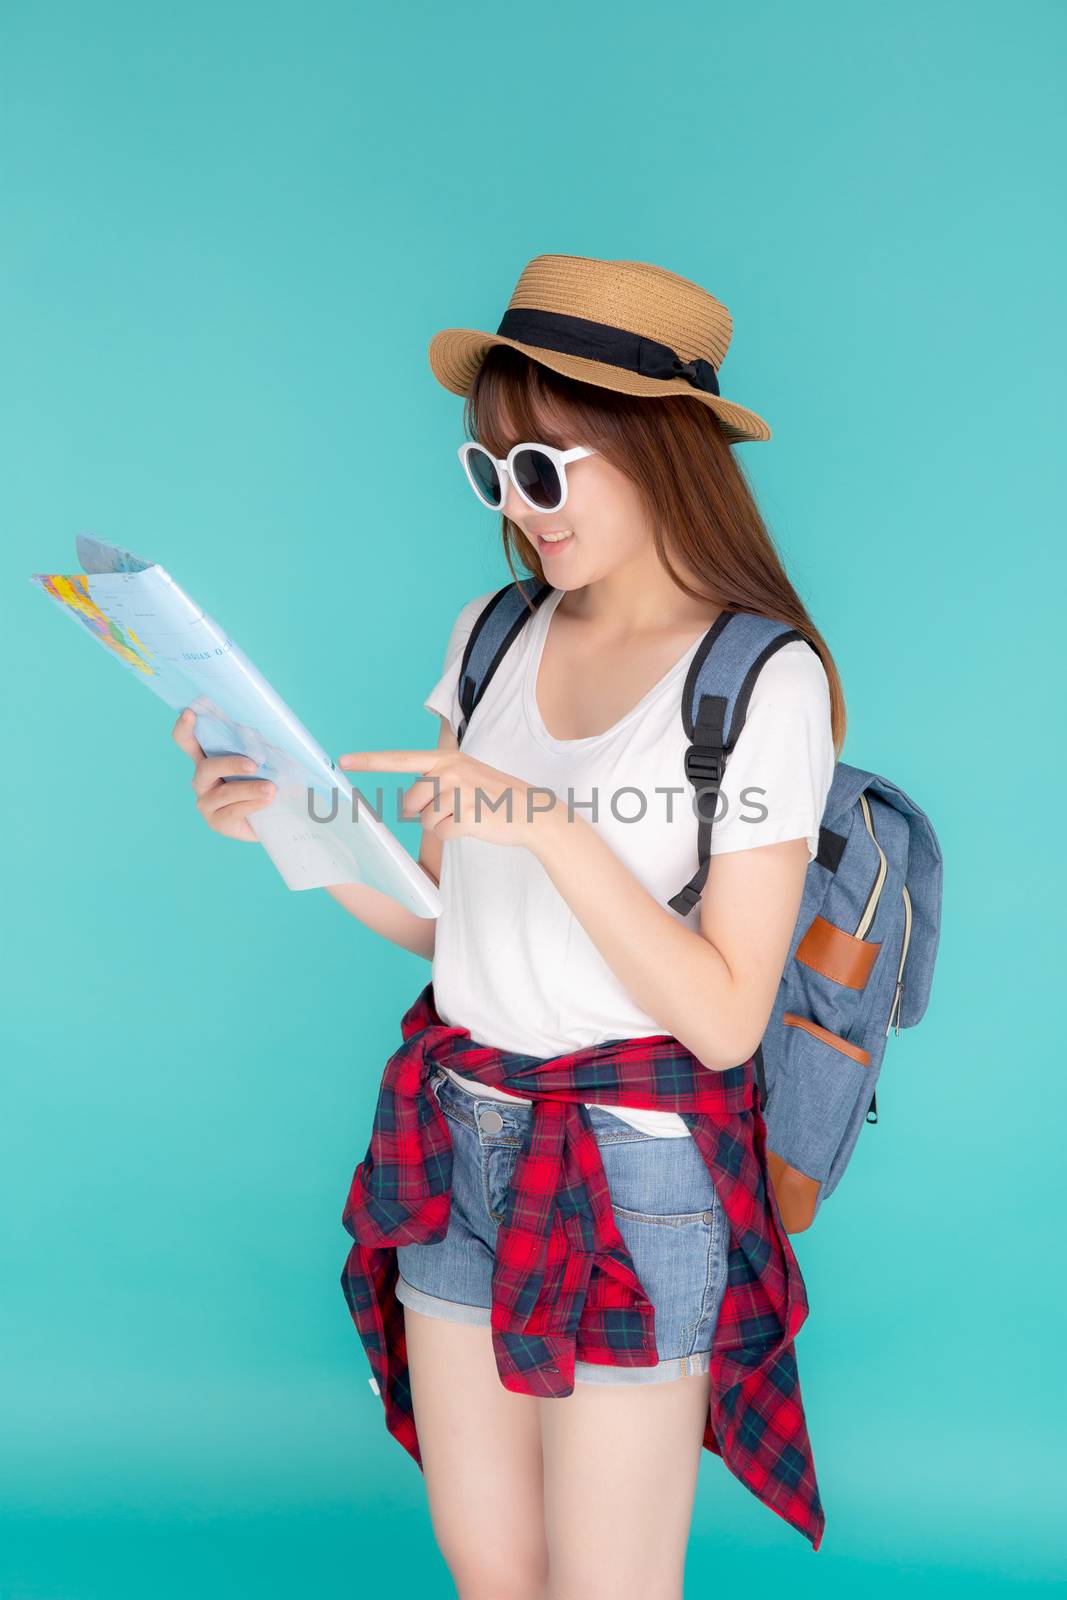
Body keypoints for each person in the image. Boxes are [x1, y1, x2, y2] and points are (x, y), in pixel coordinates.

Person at [172, 254, 842, 1599]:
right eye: (494, 472)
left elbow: (720, 1017)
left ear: (662, 451)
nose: (519, 508)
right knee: (493, 1569)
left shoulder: (761, 680)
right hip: (458, 1130)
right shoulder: (492, 634)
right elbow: (449, 929)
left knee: (607, 1585)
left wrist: (549, 825)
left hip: (634, 1167)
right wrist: (284, 829)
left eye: (546, 469)